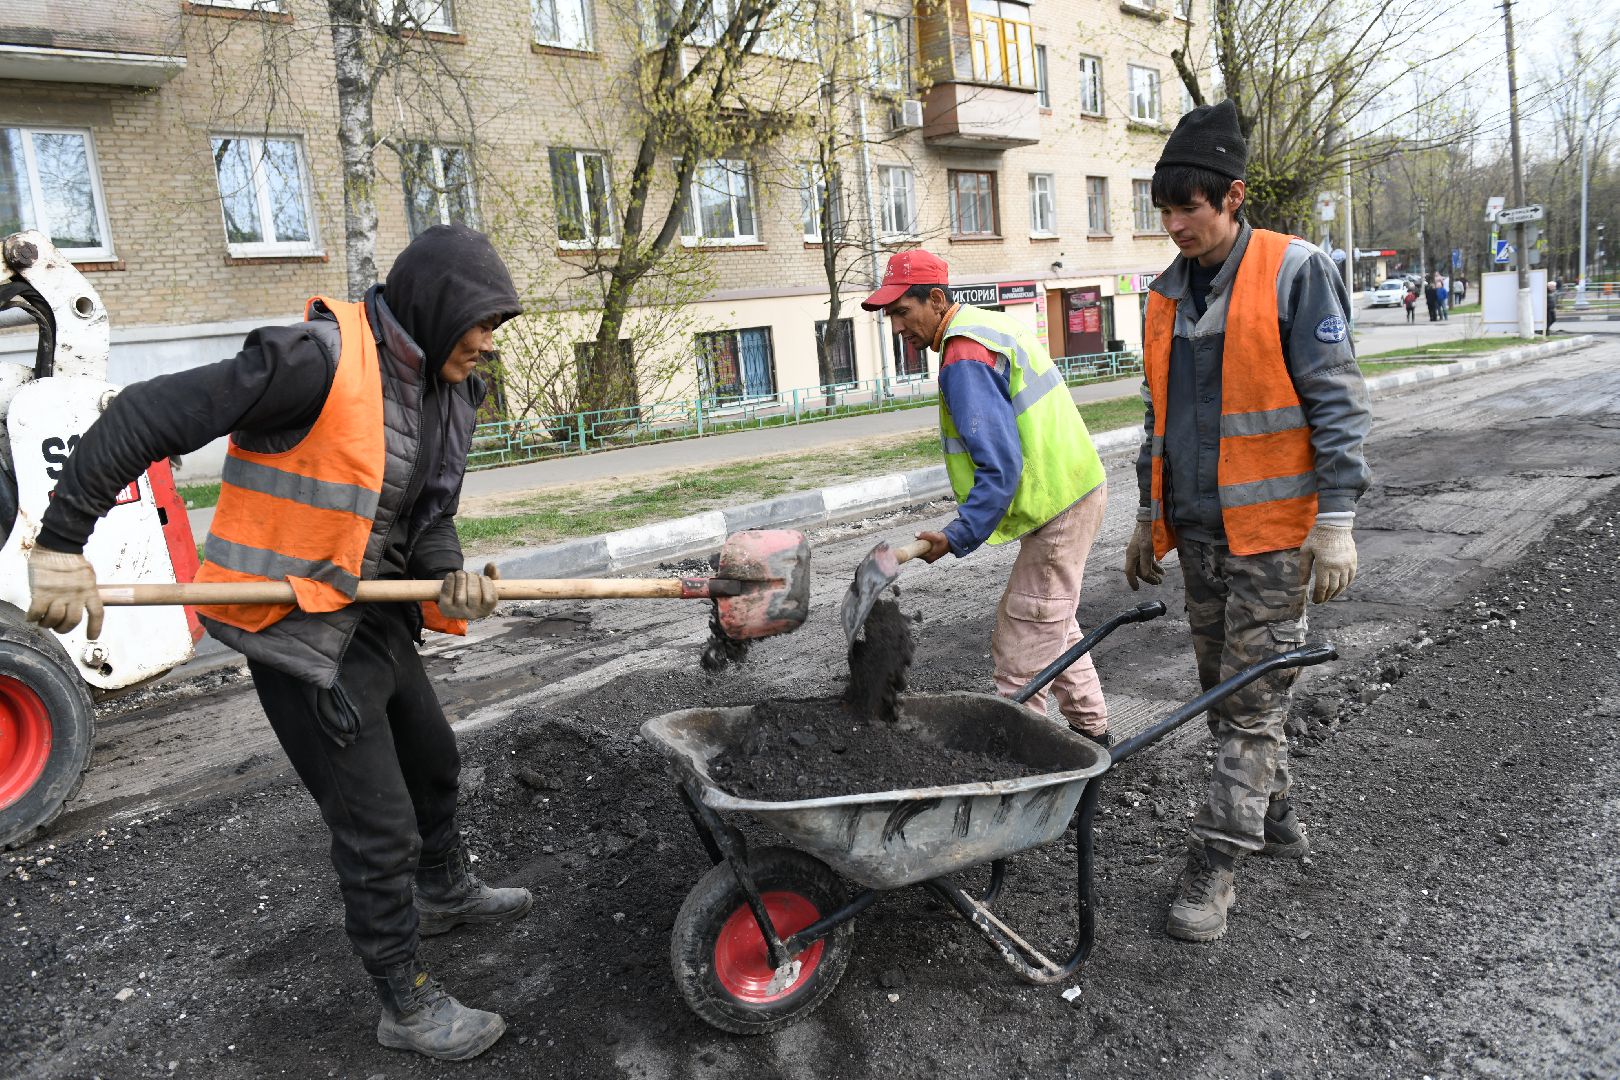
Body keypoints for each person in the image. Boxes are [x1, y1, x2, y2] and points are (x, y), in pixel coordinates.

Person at [24, 225, 530, 1061]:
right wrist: (60, 543)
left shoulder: (451, 392)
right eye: (481, 322)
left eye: (495, 326)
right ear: (438, 308)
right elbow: (146, 413)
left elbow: (428, 516)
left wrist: (448, 574)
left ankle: (443, 893)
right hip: (294, 628)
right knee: (378, 829)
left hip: (369, 615)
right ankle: (404, 1002)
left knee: (435, 762)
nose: (487, 341)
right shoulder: (314, 361)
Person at [1124, 99, 1372, 942]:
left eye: (1187, 208)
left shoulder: (1295, 271)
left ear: (1233, 197)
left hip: (1272, 539)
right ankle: (1276, 815)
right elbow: (1157, 418)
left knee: (1248, 705)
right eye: (1164, 209)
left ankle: (1217, 865)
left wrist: (1336, 520)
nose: (1173, 225)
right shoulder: (1165, 296)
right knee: (1226, 695)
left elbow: (1338, 402)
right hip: (1199, 532)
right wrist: (1147, 515)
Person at [861, 250, 1113, 744]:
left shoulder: (964, 354)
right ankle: (1096, 737)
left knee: (1021, 645)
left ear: (936, 299)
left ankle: (1019, 759)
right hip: (1070, 491)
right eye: (890, 316)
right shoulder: (988, 327)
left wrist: (957, 535)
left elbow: (1000, 466)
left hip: (1058, 505)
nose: (897, 327)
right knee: (1053, 626)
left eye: (902, 312)